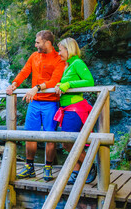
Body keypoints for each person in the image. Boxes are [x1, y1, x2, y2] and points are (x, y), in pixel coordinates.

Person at [6, 30, 65, 181]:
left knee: (50, 136)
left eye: (38, 42)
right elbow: (24, 72)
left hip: (50, 102)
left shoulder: (59, 59)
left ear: (48, 43)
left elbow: (55, 80)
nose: (35, 44)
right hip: (34, 103)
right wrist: (14, 85)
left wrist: (37, 87)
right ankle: (29, 167)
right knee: (29, 135)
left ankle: (48, 168)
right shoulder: (34, 56)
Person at [54, 37, 96, 184]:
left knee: (67, 142)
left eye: (60, 50)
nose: (59, 53)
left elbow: (89, 81)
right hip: (67, 108)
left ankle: (88, 165)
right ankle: (77, 171)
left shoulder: (77, 63)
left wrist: (67, 84)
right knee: (71, 141)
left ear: (68, 49)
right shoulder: (68, 65)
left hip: (75, 108)